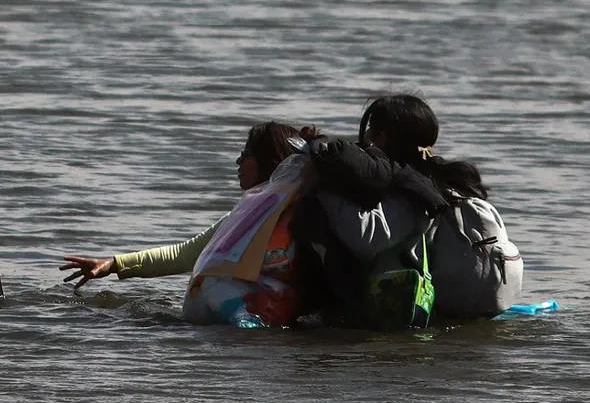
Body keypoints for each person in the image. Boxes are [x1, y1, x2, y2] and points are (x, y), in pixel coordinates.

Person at [302, 94, 523, 322]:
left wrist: (323, 187)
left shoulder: (415, 190)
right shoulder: (454, 182)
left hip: (433, 311)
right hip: (479, 308)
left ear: (380, 138)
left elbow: (365, 238)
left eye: (369, 131)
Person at [60, 121, 318, 289]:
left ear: (268, 161)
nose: (237, 162)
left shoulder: (305, 216)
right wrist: (112, 264)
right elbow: (184, 254)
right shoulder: (243, 218)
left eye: (245, 154)